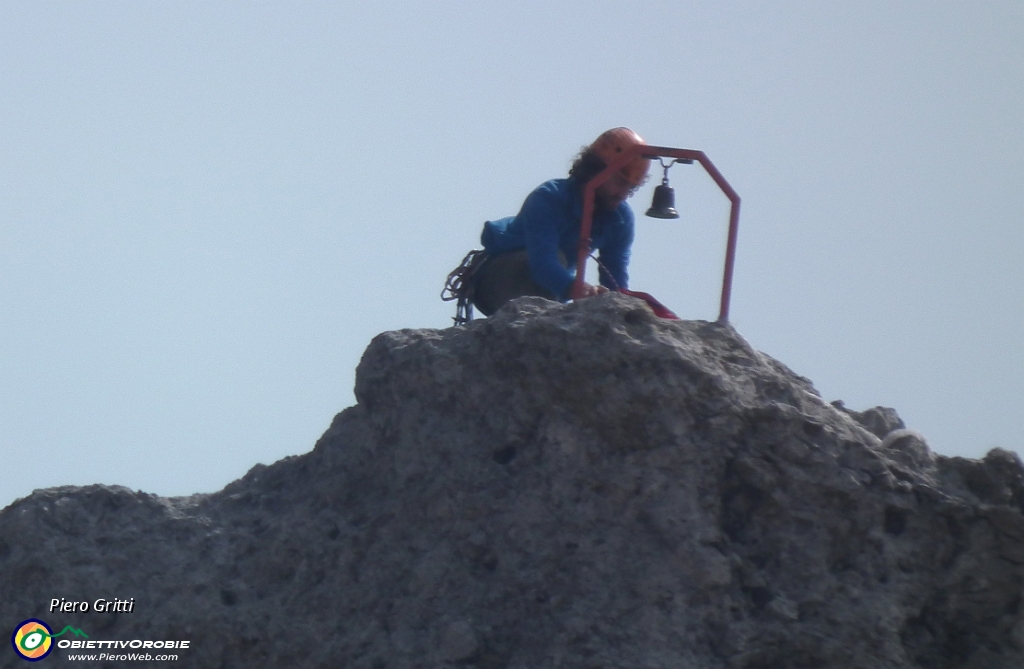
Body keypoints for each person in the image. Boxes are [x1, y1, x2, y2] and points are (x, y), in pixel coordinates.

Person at [443, 128, 650, 322]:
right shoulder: (550, 197)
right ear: (597, 170)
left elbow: (615, 279)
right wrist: (576, 289)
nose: (623, 194)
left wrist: (615, 301)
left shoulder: (619, 220)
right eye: (620, 182)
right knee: (556, 261)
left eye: (631, 188)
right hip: (499, 277)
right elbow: (543, 263)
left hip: (547, 286)